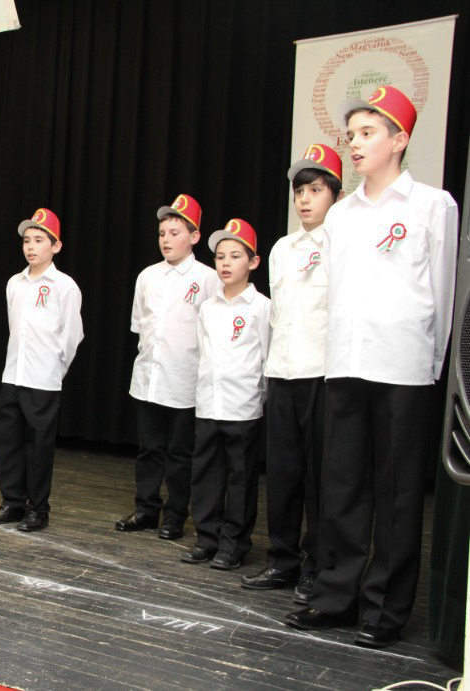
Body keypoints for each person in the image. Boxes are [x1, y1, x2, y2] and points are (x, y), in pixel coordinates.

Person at [285, 86, 459, 649]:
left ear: (399, 139)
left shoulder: (432, 205)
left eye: (367, 133)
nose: (355, 144)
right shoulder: (341, 215)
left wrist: (431, 364)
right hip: (345, 364)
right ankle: (336, 596)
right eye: (352, 135)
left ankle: (385, 610)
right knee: (342, 487)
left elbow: (443, 292)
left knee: (398, 492)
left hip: (403, 367)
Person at [241, 144, 342, 602]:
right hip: (282, 371)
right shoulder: (282, 248)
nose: (304, 199)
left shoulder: (342, 244)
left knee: (320, 479)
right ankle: (283, 561)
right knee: (282, 475)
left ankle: (318, 566)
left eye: (315, 190)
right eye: (299, 191)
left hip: (323, 374)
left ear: (335, 195)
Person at [118, 194, 219, 539]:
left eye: (175, 233)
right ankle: (146, 509)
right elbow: (140, 326)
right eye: (162, 233)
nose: (166, 240)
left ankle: (176, 515)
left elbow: (212, 330)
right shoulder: (148, 276)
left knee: (180, 453)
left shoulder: (207, 278)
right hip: (149, 377)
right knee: (149, 450)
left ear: (194, 236)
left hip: (185, 379)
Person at [0, 208, 83, 532]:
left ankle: (37, 508)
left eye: (39, 240)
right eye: (27, 240)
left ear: (56, 246)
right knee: (8, 441)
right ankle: (12, 502)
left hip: (43, 378)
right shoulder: (15, 283)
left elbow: (72, 336)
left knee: (38, 447)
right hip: (13, 374)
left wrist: (54, 368)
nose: (31, 246)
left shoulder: (64, 286)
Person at [180, 219, 270, 570]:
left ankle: (234, 544)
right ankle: (207, 538)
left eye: (235, 256)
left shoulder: (261, 307)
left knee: (240, 478)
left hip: (242, 406)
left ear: (253, 261)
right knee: (206, 474)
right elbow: (204, 354)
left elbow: (266, 358)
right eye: (220, 257)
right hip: (208, 403)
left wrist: (257, 397)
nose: (226, 263)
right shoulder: (208, 307)